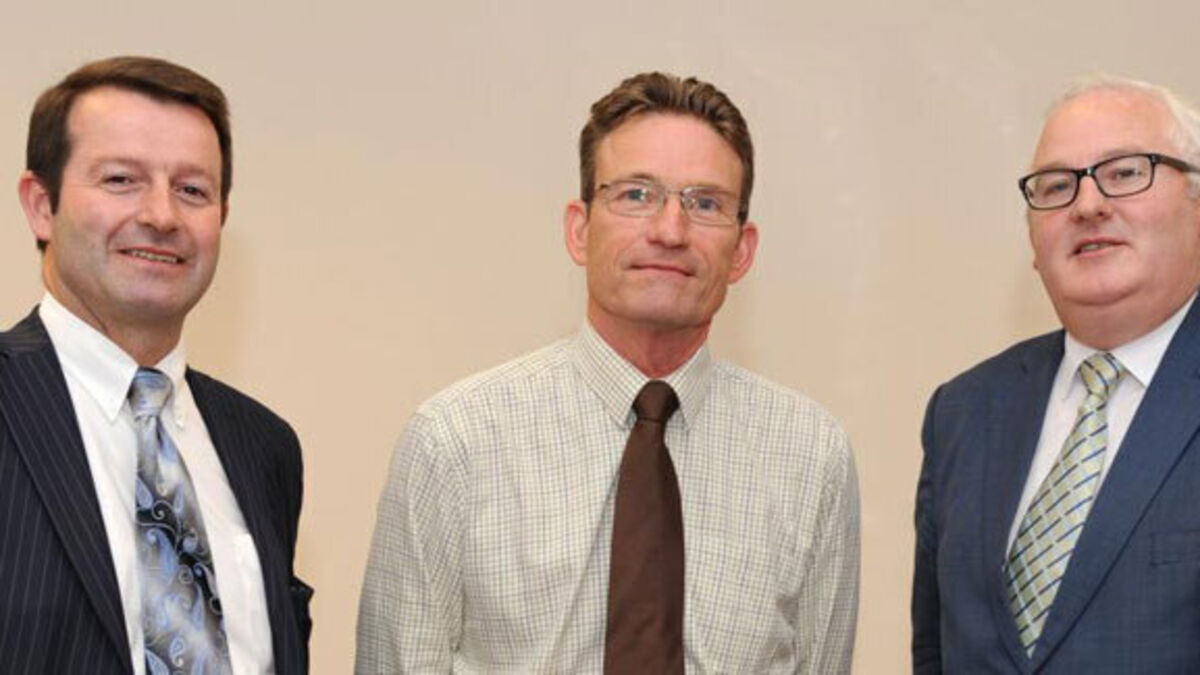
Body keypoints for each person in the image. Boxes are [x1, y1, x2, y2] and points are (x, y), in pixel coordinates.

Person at [357, 71, 859, 673]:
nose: (670, 231)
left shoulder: (811, 456)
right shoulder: (454, 442)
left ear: (742, 250)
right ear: (579, 229)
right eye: (636, 195)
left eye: (705, 203)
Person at [0, 56, 312, 674]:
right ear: (41, 205)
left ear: (221, 218)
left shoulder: (265, 446)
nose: (162, 216)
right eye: (121, 180)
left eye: (192, 190)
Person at [913, 75, 1200, 673]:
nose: (1087, 204)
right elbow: (935, 652)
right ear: (1032, 241)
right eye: (1057, 186)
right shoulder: (964, 411)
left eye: (1125, 172)